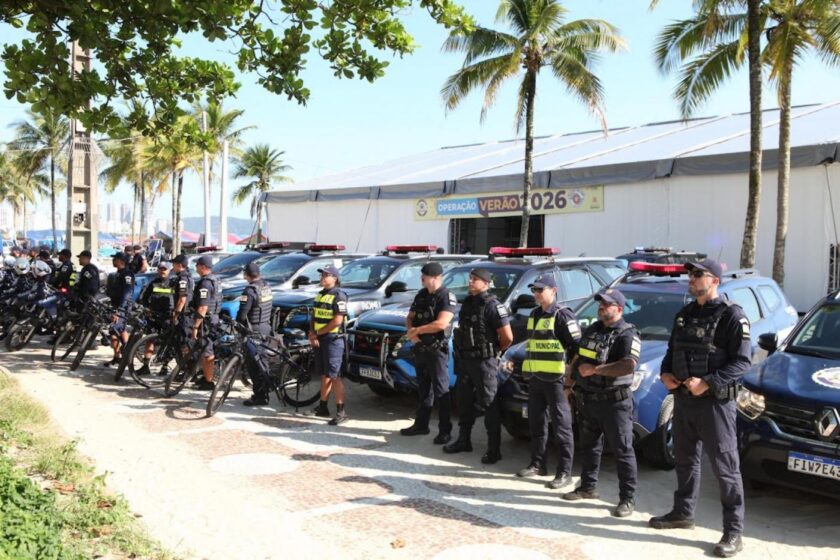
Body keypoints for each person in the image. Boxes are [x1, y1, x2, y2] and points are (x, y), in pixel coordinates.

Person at [649, 259, 751, 558]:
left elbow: (742, 362)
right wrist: (665, 374)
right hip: (684, 401)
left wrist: (708, 382)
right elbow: (672, 352)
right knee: (685, 460)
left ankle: (733, 532)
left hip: (715, 405)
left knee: (725, 469)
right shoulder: (684, 315)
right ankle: (683, 513)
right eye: (689, 274)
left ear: (715, 280)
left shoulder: (732, 316)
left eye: (697, 274)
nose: (690, 279)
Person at [564, 288, 640, 518]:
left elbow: (628, 365)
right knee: (589, 446)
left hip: (615, 403)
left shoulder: (628, 334)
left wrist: (596, 370)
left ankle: (627, 499)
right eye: (600, 304)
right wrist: (569, 384)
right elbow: (578, 357)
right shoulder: (593, 329)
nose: (601, 307)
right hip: (588, 399)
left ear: (619, 309)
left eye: (606, 304)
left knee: (623, 451)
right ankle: (588, 487)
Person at [515, 273, 581, 490]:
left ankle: (564, 472)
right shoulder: (534, 314)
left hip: (556, 382)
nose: (536, 294)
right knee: (536, 424)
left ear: (553, 291)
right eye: (534, 290)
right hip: (535, 379)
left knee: (562, 427)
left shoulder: (563, 315)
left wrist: (569, 381)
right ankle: (538, 464)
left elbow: (577, 350)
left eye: (540, 290)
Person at [444, 267, 513, 464]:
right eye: (470, 278)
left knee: (489, 403)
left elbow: (507, 337)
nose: (470, 282)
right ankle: (463, 440)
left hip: (484, 362)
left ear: (486, 283)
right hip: (465, 360)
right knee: (464, 401)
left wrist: (493, 352)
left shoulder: (492, 306)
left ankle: (494, 450)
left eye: (475, 279)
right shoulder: (468, 303)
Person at [400, 261, 457, 443]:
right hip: (420, 348)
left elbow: (441, 324)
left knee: (441, 390)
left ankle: (445, 431)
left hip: (436, 350)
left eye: (424, 276)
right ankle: (421, 425)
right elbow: (410, 318)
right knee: (423, 389)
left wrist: (416, 331)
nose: (421, 279)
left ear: (435, 278)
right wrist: (414, 337)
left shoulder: (446, 296)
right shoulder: (421, 295)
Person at [306, 264, 349, 425]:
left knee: (335, 376)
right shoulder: (320, 294)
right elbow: (314, 316)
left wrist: (317, 333)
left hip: (333, 340)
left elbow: (337, 320)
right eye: (322, 275)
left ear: (335, 278)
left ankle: (341, 412)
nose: (322, 277)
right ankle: (323, 407)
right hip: (320, 338)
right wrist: (312, 333)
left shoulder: (339, 295)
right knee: (324, 375)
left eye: (326, 275)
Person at [237, 262, 274, 406]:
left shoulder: (249, 291)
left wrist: (238, 326)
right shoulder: (265, 286)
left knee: (253, 364)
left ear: (246, 274)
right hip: (265, 327)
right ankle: (265, 390)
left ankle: (260, 396)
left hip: (253, 330)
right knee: (262, 360)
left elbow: (242, 314)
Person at [135, 262, 175, 376]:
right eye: (160, 269)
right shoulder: (154, 283)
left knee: (167, 342)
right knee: (150, 340)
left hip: (168, 317)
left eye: (165, 269)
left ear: (169, 270)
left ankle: (165, 366)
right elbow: (144, 298)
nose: (162, 271)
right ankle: (145, 365)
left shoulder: (173, 283)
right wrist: (147, 308)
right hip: (154, 316)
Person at [191, 255, 221, 391]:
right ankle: (206, 376)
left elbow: (203, 307)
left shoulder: (205, 283)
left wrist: (195, 326)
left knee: (207, 352)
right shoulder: (215, 279)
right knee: (204, 349)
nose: (196, 267)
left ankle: (209, 382)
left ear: (203, 267)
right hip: (213, 317)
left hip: (206, 320)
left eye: (197, 265)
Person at [104, 252, 134, 367]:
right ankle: (121, 356)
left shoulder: (127, 275)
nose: (113, 261)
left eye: (115, 259)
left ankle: (122, 356)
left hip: (122, 307)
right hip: (116, 305)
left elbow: (126, 294)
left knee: (114, 331)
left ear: (121, 261)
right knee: (121, 330)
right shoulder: (119, 273)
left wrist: (119, 309)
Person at [170, 254, 193, 326]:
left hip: (183, 315)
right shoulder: (187, 276)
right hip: (185, 313)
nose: (173, 266)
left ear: (179, 265)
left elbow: (182, 299)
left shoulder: (183, 279)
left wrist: (176, 315)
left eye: (174, 264)